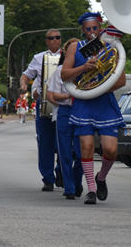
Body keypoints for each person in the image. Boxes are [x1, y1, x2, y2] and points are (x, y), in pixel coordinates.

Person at [61, 12, 126, 205]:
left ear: (100, 28)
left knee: (111, 149)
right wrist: (83, 69)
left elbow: (121, 81)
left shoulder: (112, 46)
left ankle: (101, 178)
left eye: (95, 28)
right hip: (84, 104)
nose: (91, 32)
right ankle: (91, 189)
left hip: (104, 103)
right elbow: (64, 74)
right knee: (86, 147)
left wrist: (97, 88)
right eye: (88, 29)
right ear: (82, 30)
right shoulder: (75, 47)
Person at [20, 29, 63, 192]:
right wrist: (24, 85)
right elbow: (27, 75)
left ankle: (61, 172)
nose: (54, 40)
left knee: (63, 143)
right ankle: (48, 178)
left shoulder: (68, 56)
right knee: (45, 143)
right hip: (43, 104)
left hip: (62, 104)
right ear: (46, 40)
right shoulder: (39, 58)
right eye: (51, 38)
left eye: (57, 38)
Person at [46, 38, 84, 200]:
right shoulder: (60, 71)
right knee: (65, 152)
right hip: (65, 111)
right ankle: (69, 187)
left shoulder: (86, 68)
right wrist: (69, 95)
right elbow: (52, 95)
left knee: (82, 152)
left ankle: (77, 181)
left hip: (82, 111)